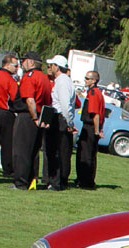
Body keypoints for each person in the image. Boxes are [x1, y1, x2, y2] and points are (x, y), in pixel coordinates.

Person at [11, 50, 51, 190]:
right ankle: (30, 180)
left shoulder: (30, 76)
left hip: (28, 116)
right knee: (33, 151)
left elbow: (29, 99)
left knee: (21, 150)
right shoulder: (45, 78)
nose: (22, 64)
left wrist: (34, 117)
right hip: (41, 115)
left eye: (24, 60)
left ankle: (20, 182)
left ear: (31, 62)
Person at [43, 55, 75, 191]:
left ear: (57, 66)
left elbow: (64, 103)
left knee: (56, 151)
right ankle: (59, 180)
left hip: (59, 117)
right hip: (61, 118)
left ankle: (56, 182)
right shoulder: (63, 80)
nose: (50, 68)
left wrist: (68, 122)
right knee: (60, 151)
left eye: (52, 65)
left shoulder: (62, 81)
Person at [75, 70, 104, 189]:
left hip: (90, 127)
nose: (85, 80)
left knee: (85, 155)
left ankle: (85, 181)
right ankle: (88, 180)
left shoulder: (93, 93)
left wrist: (97, 130)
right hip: (92, 127)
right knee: (90, 154)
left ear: (93, 81)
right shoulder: (97, 92)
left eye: (87, 78)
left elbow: (95, 114)